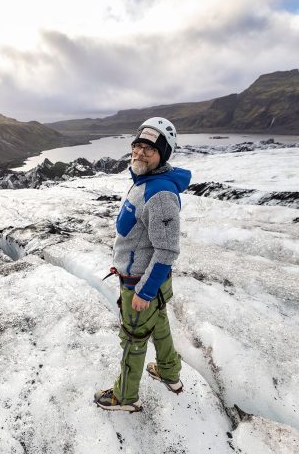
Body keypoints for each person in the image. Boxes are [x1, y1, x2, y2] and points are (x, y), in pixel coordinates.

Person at [94, 117, 192, 412]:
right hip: (148, 282)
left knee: (133, 340)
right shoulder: (143, 181)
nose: (139, 151)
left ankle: (125, 397)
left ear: (164, 153)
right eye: (137, 144)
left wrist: (143, 292)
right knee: (159, 324)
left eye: (149, 148)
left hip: (141, 283)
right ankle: (170, 373)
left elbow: (167, 251)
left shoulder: (159, 194)